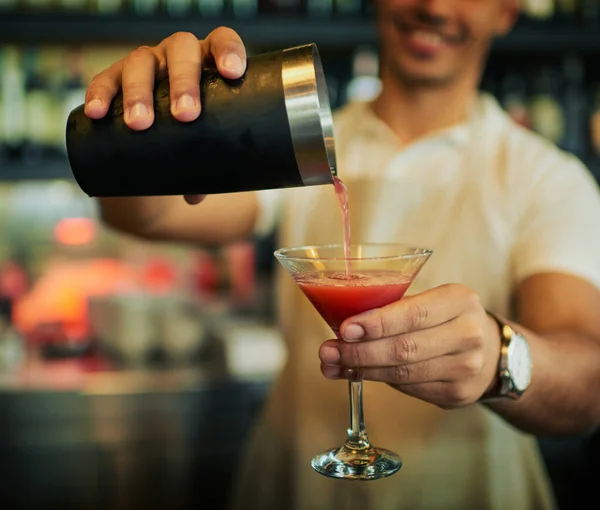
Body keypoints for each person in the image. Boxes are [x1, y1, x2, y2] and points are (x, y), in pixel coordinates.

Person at [85, 1, 600, 509]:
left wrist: (499, 357)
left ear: (508, 11)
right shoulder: (297, 140)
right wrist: (145, 128)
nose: (435, 6)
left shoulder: (546, 177)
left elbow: (588, 385)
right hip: (293, 487)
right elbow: (146, 216)